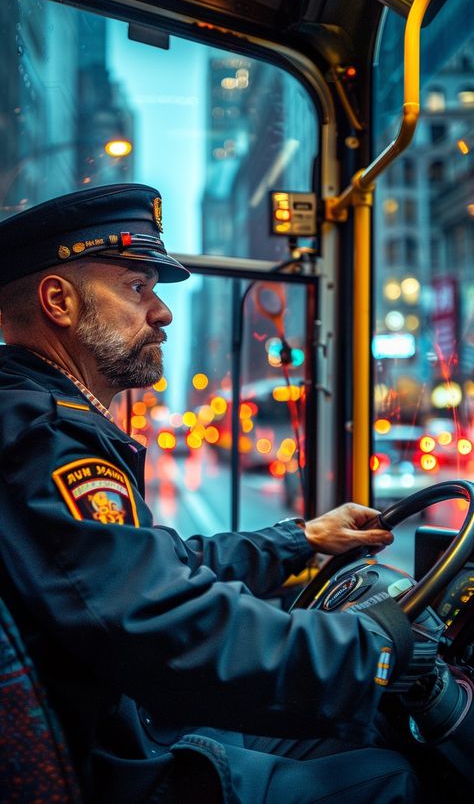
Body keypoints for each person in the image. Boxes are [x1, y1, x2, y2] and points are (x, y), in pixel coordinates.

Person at [0, 184, 436, 804]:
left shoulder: (41, 415)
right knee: (387, 777)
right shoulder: (47, 438)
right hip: (116, 763)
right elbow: (161, 620)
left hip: (123, 725)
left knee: (358, 726)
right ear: (58, 301)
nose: (163, 312)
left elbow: (156, 569)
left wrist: (302, 538)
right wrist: (371, 648)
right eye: (136, 288)